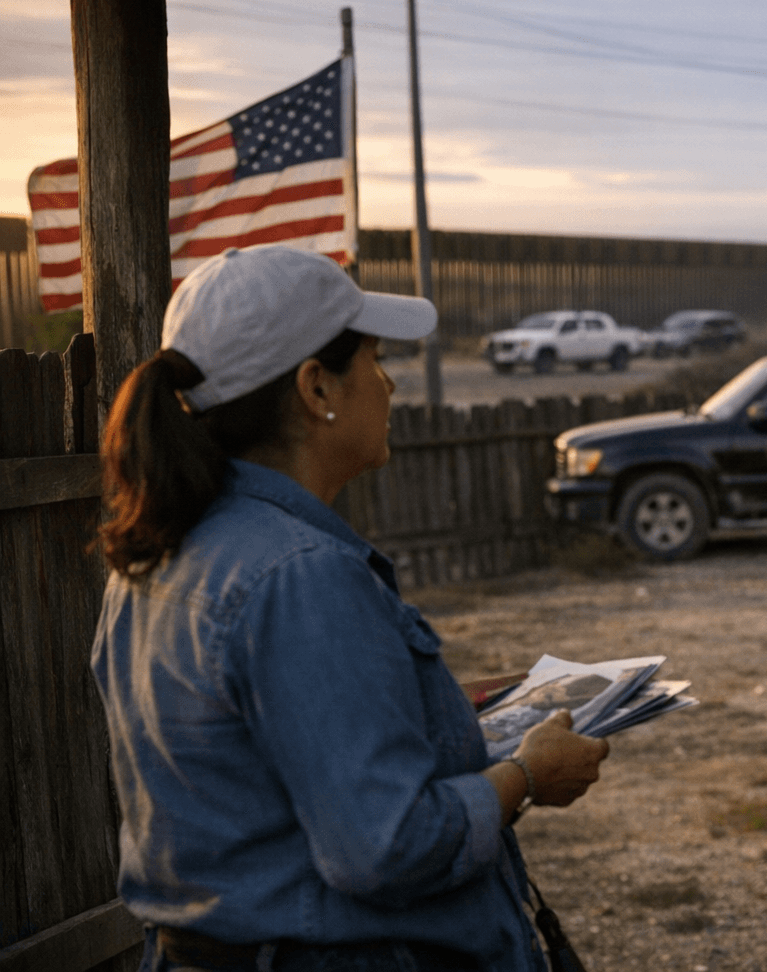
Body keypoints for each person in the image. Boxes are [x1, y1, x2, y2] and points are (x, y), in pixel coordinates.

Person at [92, 245, 610, 972]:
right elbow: (388, 848)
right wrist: (527, 774)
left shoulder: (166, 552)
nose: (390, 384)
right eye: (373, 359)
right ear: (317, 388)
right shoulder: (302, 576)